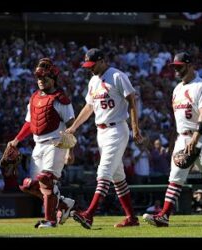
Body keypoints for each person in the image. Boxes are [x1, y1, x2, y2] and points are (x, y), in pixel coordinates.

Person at [143, 52, 202, 227]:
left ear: (190, 65)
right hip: (183, 136)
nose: (176, 70)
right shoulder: (177, 88)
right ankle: (164, 216)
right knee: (175, 176)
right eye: (174, 67)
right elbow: (178, 119)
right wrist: (174, 141)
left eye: (179, 66)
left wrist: (196, 136)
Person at [65, 48, 143, 229]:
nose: (89, 69)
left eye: (92, 65)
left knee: (104, 171)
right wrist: (74, 127)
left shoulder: (117, 76)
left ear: (102, 61)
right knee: (117, 177)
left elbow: (132, 101)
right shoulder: (93, 81)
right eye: (87, 65)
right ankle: (132, 218)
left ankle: (89, 214)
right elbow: (89, 107)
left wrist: (135, 127)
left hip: (117, 129)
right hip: (101, 132)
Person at [7, 58, 75, 228]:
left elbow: (71, 127)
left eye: (44, 78)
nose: (40, 81)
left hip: (56, 143)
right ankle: (63, 204)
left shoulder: (61, 99)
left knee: (46, 180)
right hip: (38, 145)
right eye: (38, 77)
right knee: (28, 185)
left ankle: (50, 221)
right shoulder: (34, 97)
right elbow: (30, 123)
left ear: (53, 78)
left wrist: (70, 150)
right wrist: (16, 140)